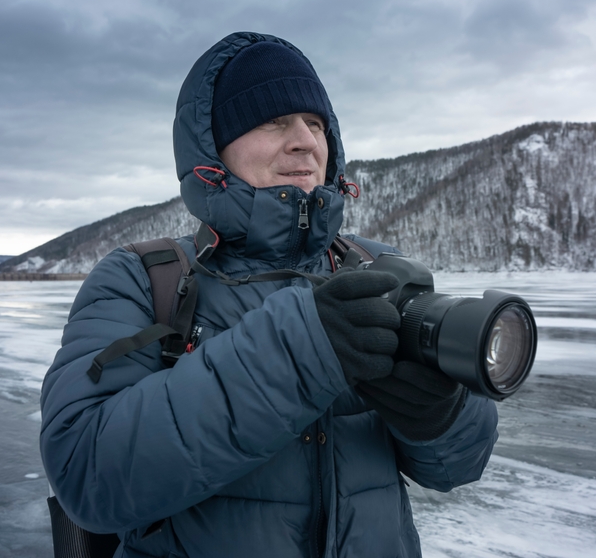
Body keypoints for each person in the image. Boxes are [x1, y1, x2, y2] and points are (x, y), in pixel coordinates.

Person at [40, 32, 499, 557]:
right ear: (212, 147)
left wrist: (444, 413)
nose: (305, 140)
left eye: (317, 124)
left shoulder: (379, 269)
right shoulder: (145, 278)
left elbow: (460, 466)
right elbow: (87, 474)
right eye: (274, 121)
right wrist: (301, 352)